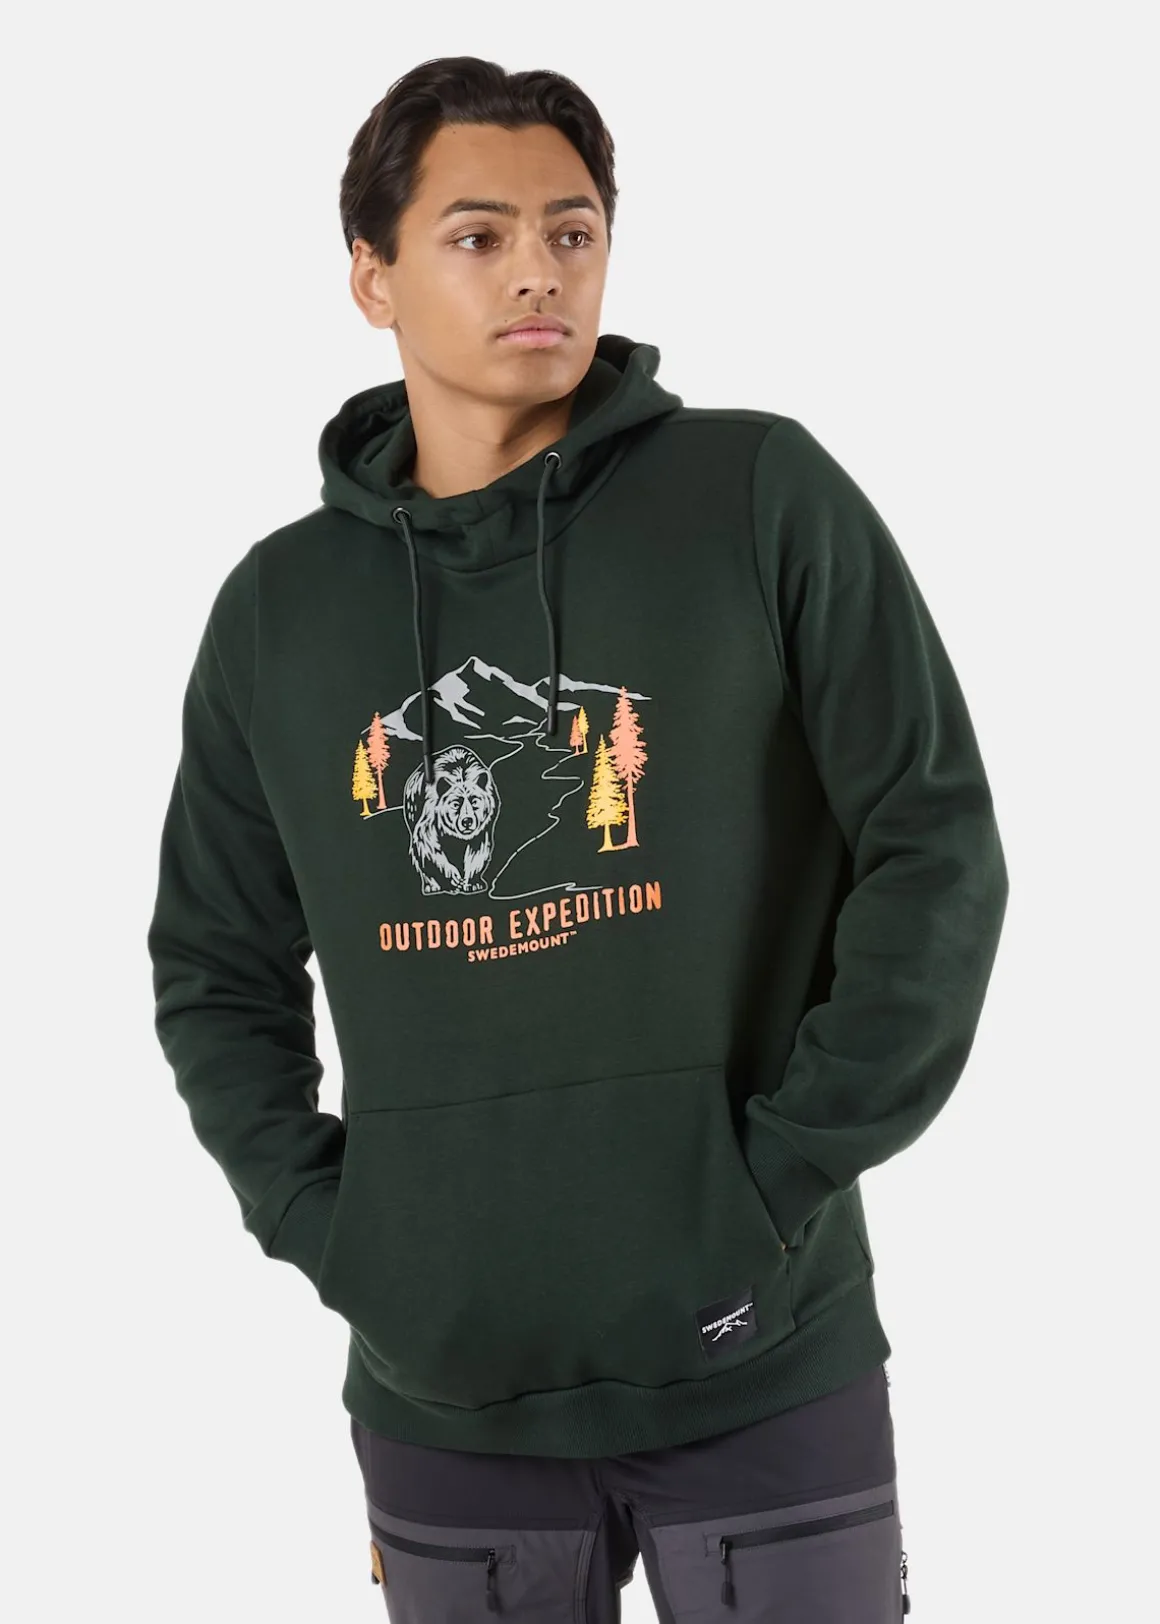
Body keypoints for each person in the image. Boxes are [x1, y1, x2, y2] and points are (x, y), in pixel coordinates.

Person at [147, 53, 1007, 1621]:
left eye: (573, 230)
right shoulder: (279, 612)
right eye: (477, 236)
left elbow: (933, 840)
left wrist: (777, 1180)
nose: (539, 270)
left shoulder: (759, 494)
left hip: (763, 1359)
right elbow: (215, 960)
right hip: (444, 1396)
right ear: (371, 276)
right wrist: (335, 1230)